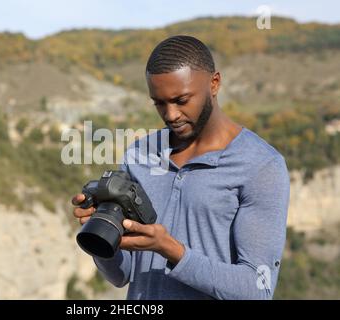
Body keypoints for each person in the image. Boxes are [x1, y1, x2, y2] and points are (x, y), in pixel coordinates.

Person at [72, 35, 290, 300]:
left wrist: (172, 250)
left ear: (214, 83)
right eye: (159, 103)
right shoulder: (140, 155)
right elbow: (122, 275)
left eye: (181, 100)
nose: (171, 115)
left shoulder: (260, 165)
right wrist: (100, 233)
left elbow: (258, 289)